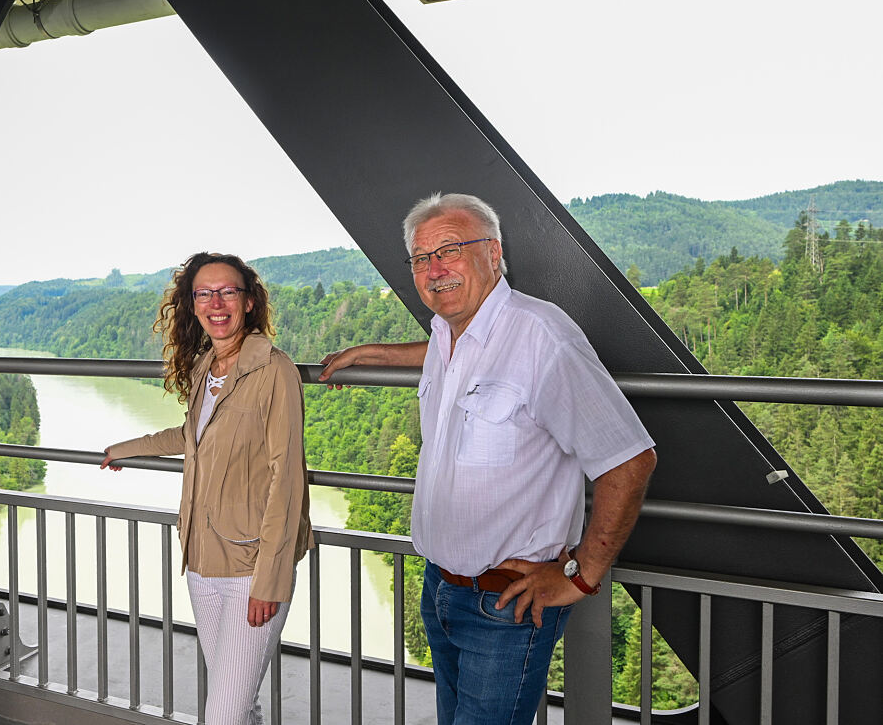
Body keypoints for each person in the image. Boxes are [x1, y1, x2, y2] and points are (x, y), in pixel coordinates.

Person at [319, 193, 657, 725]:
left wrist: (582, 575)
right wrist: (376, 352)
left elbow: (629, 459)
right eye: (421, 258)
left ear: (494, 253)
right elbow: (452, 354)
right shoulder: (446, 335)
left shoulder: (542, 337)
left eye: (450, 249)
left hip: (506, 605)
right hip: (441, 590)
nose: (435, 269)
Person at [101, 252, 312, 725]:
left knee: (223, 714)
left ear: (249, 302)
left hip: (251, 566)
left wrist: (270, 579)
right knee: (236, 704)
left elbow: (287, 478)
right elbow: (190, 436)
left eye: (228, 291)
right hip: (200, 558)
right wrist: (125, 448)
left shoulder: (273, 370)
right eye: (204, 293)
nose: (216, 303)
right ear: (192, 304)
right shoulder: (206, 367)